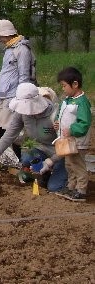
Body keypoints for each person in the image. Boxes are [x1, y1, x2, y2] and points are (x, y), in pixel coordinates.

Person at [0, 82, 67, 192]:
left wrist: (50, 162)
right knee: (27, 159)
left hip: (60, 153)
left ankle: (66, 175)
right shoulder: (22, 113)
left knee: (54, 188)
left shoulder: (55, 114)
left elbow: (66, 144)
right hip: (39, 148)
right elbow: (10, 134)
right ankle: (44, 174)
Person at [0, 19, 37, 161]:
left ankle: (21, 162)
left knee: (13, 131)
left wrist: (20, 99)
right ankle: (8, 158)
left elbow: (24, 75)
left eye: (0, 36)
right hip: (3, 96)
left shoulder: (22, 50)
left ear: (7, 34)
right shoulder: (9, 49)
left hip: (13, 96)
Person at [50, 67, 92, 202]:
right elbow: (60, 114)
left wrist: (73, 130)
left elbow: (84, 122)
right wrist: (57, 122)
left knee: (78, 165)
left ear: (75, 84)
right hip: (67, 141)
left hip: (77, 142)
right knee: (69, 164)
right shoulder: (67, 100)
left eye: (64, 85)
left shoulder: (82, 102)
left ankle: (81, 190)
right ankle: (71, 186)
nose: (63, 89)